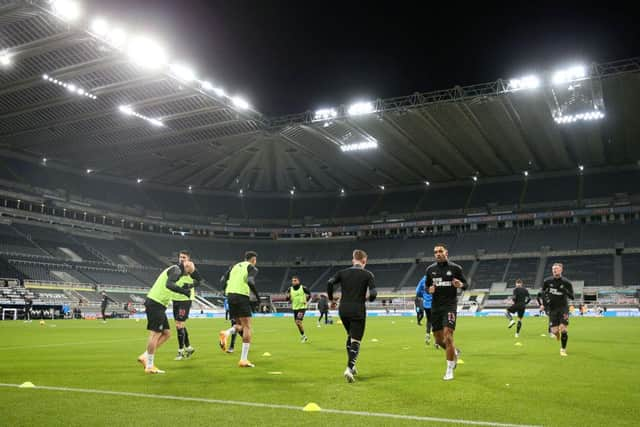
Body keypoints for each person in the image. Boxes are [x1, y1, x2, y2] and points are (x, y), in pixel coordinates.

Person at [137, 261, 196, 374]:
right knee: (155, 334)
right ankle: (149, 366)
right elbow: (169, 284)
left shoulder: (176, 270)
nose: (187, 276)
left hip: (159, 304)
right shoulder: (176, 270)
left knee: (166, 333)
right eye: (188, 273)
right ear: (186, 267)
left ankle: (145, 356)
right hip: (156, 303)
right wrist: (183, 291)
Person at [327, 249, 377, 383]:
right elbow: (373, 294)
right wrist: (368, 299)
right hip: (358, 309)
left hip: (343, 310)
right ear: (364, 261)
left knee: (350, 336)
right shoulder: (368, 274)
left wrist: (331, 300)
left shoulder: (342, 273)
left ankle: (353, 365)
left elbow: (330, 283)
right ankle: (349, 368)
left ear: (353, 260)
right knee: (356, 340)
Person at [426, 243, 467, 381]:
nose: (438, 253)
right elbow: (427, 286)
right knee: (438, 340)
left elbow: (465, 284)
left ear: (446, 252)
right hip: (436, 307)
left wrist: (460, 285)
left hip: (450, 306)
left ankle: (449, 369)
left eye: (440, 251)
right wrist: (429, 290)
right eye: (435, 252)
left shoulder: (455, 268)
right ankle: (454, 351)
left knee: (448, 336)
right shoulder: (430, 270)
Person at [219, 251, 260, 368]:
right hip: (241, 295)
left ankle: (226, 333)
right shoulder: (252, 267)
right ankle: (243, 360)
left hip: (230, 295)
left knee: (240, 325)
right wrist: (257, 297)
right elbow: (250, 281)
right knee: (247, 327)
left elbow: (222, 280)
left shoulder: (235, 266)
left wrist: (225, 292)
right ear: (253, 260)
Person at [173, 250, 204, 360]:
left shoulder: (191, 268)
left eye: (184, 257)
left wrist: (190, 285)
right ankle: (189, 347)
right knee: (179, 325)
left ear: (188, 259)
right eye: (180, 257)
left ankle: (181, 351)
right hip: (175, 298)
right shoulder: (176, 268)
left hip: (185, 299)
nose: (181, 259)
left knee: (179, 325)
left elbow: (200, 281)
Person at [541, 263, 574, 357]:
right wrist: (544, 304)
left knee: (563, 329)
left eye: (557, 268)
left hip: (563, 308)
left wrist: (565, 291)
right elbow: (543, 292)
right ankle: (557, 334)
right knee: (554, 331)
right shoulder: (547, 281)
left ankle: (563, 349)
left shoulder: (567, 282)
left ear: (561, 270)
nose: (555, 270)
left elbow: (572, 297)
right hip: (552, 309)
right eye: (553, 269)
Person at [285, 276, 311, 342]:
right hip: (295, 308)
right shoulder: (290, 289)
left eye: (295, 280)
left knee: (298, 321)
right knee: (297, 323)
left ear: (298, 281)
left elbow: (309, 295)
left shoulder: (303, 288)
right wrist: (288, 298)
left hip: (302, 307)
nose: (294, 282)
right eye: (293, 281)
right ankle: (303, 336)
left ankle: (303, 337)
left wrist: (306, 300)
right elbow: (287, 298)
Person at [415, 276, 433, 344]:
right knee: (437, 321)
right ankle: (438, 340)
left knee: (429, 320)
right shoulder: (437, 277)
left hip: (426, 304)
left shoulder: (423, 279)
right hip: (435, 303)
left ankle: (427, 335)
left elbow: (417, 291)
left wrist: (423, 295)